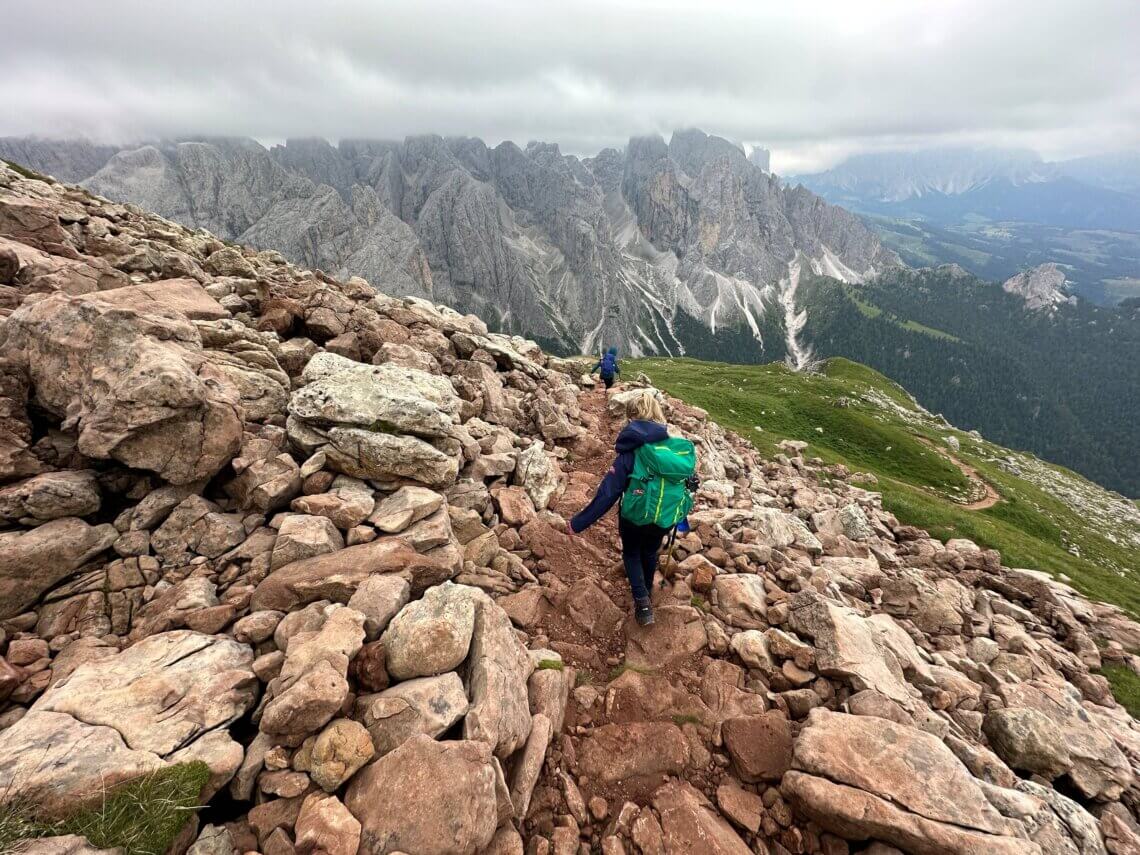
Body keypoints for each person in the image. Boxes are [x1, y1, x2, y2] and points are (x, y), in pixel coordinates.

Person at [569, 391, 697, 626]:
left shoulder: (631, 453)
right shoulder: (676, 452)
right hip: (664, 518)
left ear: (632, 419)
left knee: (631, 552)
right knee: (649, 552)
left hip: (634, 516)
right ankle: (646, 591)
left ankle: (642, 601)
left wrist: (577, 523)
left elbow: (608, 493)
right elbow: (688, 484)